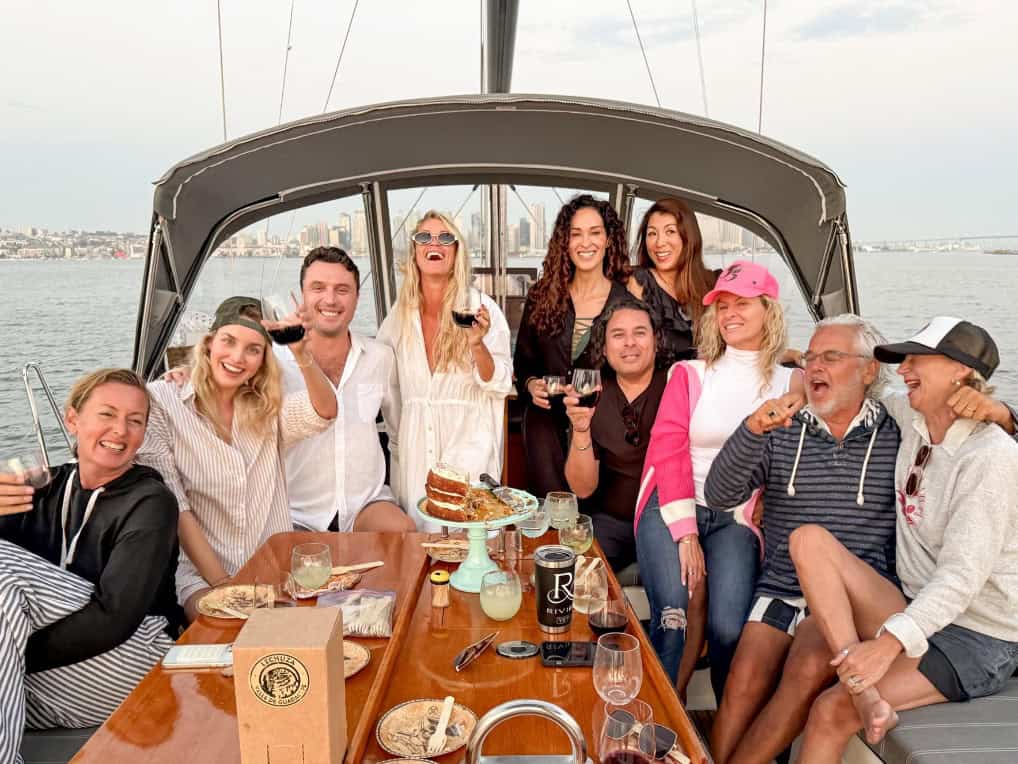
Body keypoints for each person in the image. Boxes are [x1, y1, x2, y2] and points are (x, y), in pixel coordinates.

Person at [791, 317, 1018, 762]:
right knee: (808, 540)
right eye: (903, 359)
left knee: (828, 712)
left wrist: (886, 646)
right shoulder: (910, 416)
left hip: (976, 634)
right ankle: (862, 689)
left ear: (960, 370)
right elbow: (855, 386)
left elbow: (960, 578)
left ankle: (857, 691)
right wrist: (797, 366)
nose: (905, 369)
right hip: (915, 605)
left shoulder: (990, 458)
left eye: (917, 359)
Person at [704, 315, 901, 763]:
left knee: (807, 668)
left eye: (832, 357)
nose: (815, 368)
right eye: (811, 357)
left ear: (869, 371)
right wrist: (752, 430)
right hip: (782, 585)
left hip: (850, 596)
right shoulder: (781, 427)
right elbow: (719, 495)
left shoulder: (895, 433)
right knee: (743, 680)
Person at [634, 260, 803, 702]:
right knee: (673, 614)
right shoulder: (689, 374)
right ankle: (662, 723)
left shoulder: (794, 382)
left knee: (730, 627)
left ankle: (728, 729)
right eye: (722, 305)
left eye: (742, 304)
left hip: (737, 517)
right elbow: (668, 453)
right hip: (671, 504)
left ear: (769, 310)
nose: (730, 314)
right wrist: (686, 534)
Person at [0, 369, 182, 763]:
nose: (120, 430)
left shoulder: (150, 502)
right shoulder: (41, 486)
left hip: (135, 663)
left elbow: (114, 617)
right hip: (59, 673)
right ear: (72, 420)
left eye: (135, 421)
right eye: (107, 414)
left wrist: (12, 653)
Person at [139, 296, 337, 620]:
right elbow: (177, 507)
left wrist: (302, 354)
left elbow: (325, 411)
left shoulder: (267, 409)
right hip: (204, 576)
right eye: (228, 341)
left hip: (276, 569)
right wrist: (224, 585)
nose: (237, 357)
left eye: (253, 349)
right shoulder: (163, 401)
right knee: (223, 628)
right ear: (208, 344)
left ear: (263, 360)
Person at [377, 211, 512, 531]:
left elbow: (501, 382)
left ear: (455, 252)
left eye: (444, 237)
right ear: (414, 252)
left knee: (472, 549)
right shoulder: (399, 317)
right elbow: (388, 388)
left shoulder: (481, 308)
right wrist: (398, 445)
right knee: (419, 551)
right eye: (424, 237)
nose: (434, 243)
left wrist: (477, 345)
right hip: (414, 450)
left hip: (469, 445)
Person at [279, 247, 414, 534]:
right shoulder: (274, 363)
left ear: (356, 299)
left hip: (366, 504)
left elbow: (399, 431)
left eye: (342, 290)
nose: (330, 299)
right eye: (318, 288)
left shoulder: (381, 357)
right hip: (296, 512)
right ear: (301, 295)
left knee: (403, 534)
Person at [514, 194, 632, 498]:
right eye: (575, 234)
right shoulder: (542, 295)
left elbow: (634, 374)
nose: (585, 242)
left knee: (592, 522)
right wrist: (530, 385)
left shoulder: (626, 304)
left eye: (595, 232)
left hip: (601, 428)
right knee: (549, 515)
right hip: (546, 424)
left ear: (608, 241)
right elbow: (524, 359)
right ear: (564, 242)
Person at [563, 297, 668, 573]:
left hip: (669, 520)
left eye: (640, 333)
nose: (629, 343)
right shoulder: (594, 393)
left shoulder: (677, 382)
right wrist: (581, 430)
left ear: (656, 340)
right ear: (605, 348)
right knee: (571, 572)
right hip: (612, 523)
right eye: (618, 335)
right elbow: (583, 488)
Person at [627, 197, 716, 367]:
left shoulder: (711, 282)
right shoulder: (638, 282)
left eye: (670, 232)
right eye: (652, 233)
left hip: (707, 386)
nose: (659, 243)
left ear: (688, 236)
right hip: (659, 388)